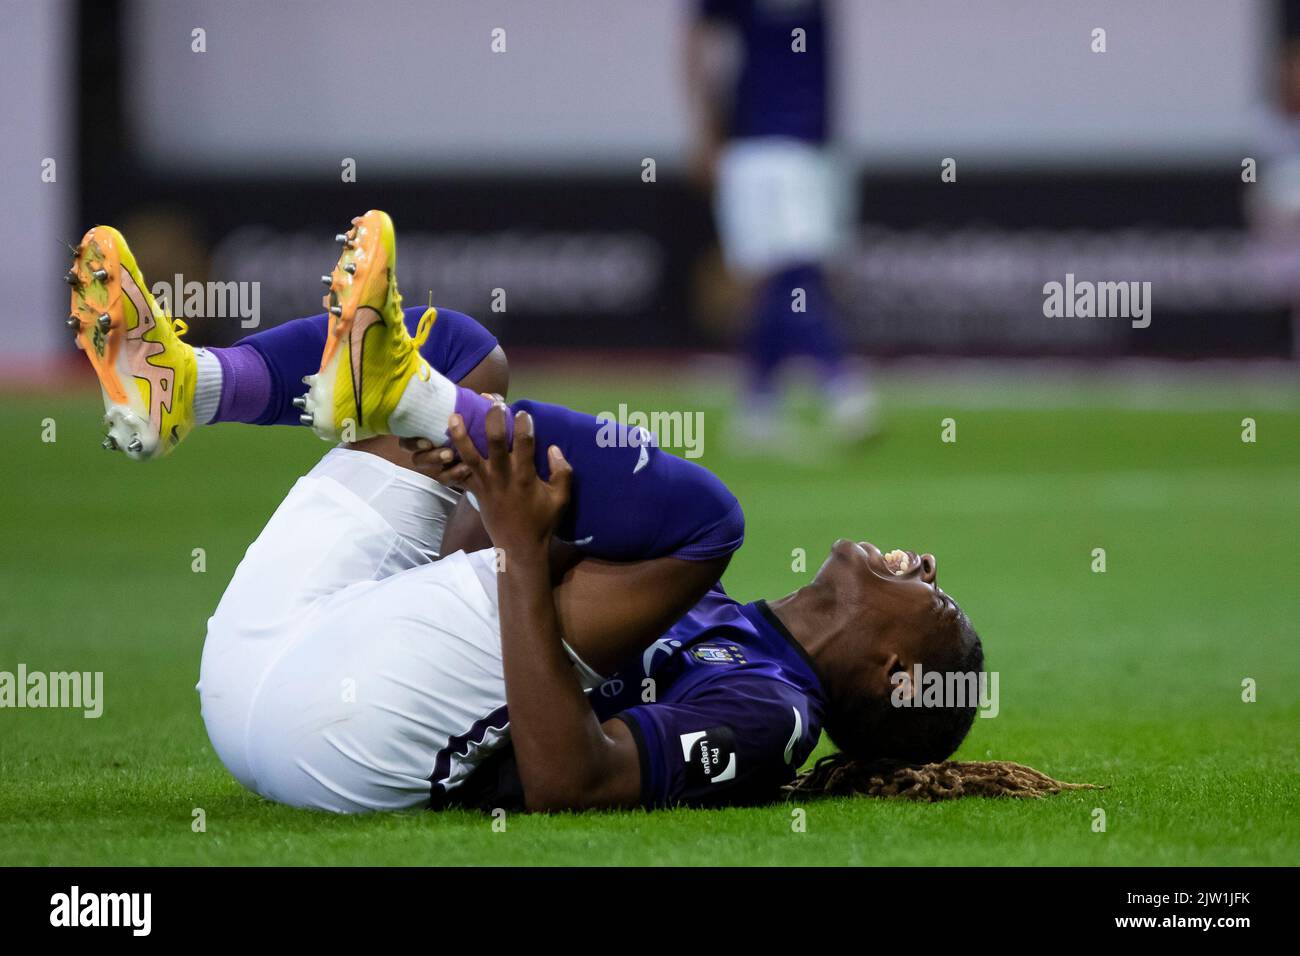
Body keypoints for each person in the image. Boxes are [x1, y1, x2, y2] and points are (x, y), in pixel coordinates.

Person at [65, 211, 1085, 811]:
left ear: (897, 672)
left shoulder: (776, 709)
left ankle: (411, 397)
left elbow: (568, 779)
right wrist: (474, 492)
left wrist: (518, 548)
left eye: (938, 597)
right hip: (282, 646)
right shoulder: (702, 602)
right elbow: (453, 590)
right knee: (465, 351)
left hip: (343, 734)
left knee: (702, 514)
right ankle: (188, 384)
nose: (927, 557)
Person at [686, 0, 875, 444]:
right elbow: (698, 38)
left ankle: (758, 403)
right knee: (791, 269)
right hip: (756, 145)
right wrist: (704, 129)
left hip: (815, 145)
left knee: (789, 272)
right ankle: (839, 384)